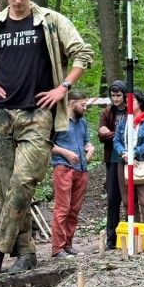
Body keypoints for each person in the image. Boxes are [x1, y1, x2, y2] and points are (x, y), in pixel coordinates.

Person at [0, 0, 94, 275]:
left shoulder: (51, 22)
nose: (18, 0)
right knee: (9, 190)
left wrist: (63, 87)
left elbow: (83, 53)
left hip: (38, 115)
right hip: (1, 115)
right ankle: (27, 253)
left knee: (23, 183)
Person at [50, 90, 95, 259]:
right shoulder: (58, 121)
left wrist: (90, 148)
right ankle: (57, 248)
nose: (85, 108)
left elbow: (86, 142)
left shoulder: (83, 123)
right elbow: (47, 144)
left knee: (74, 209)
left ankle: (68, 245)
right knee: (62, 208)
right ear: (71, 103)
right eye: (83, 105)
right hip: (63, 168)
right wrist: (66, 153)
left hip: (81, 170)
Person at [114, 91, 144, 224]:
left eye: (132, 100)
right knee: (128, 201)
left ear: (140, 102)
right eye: (127, 101)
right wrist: (124, 154)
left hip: (142, 163)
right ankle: (134, 232)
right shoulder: (125, 121)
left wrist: (134, 153)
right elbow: (116, 141)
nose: (128, 103)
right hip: (124, 162)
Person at [98, 80, 128, 249]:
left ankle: (130, 235)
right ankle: (111, 239)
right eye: (113, 95)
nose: (115, 99)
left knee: (129, 199)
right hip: (112, 160)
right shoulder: (107, 112)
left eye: (118, 95)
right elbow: (101, 136)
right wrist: (117, 134)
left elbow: (132, 134)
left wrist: (111, 133)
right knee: (112, 199)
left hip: (129, 160)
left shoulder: (132, 111)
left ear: (124, 95)